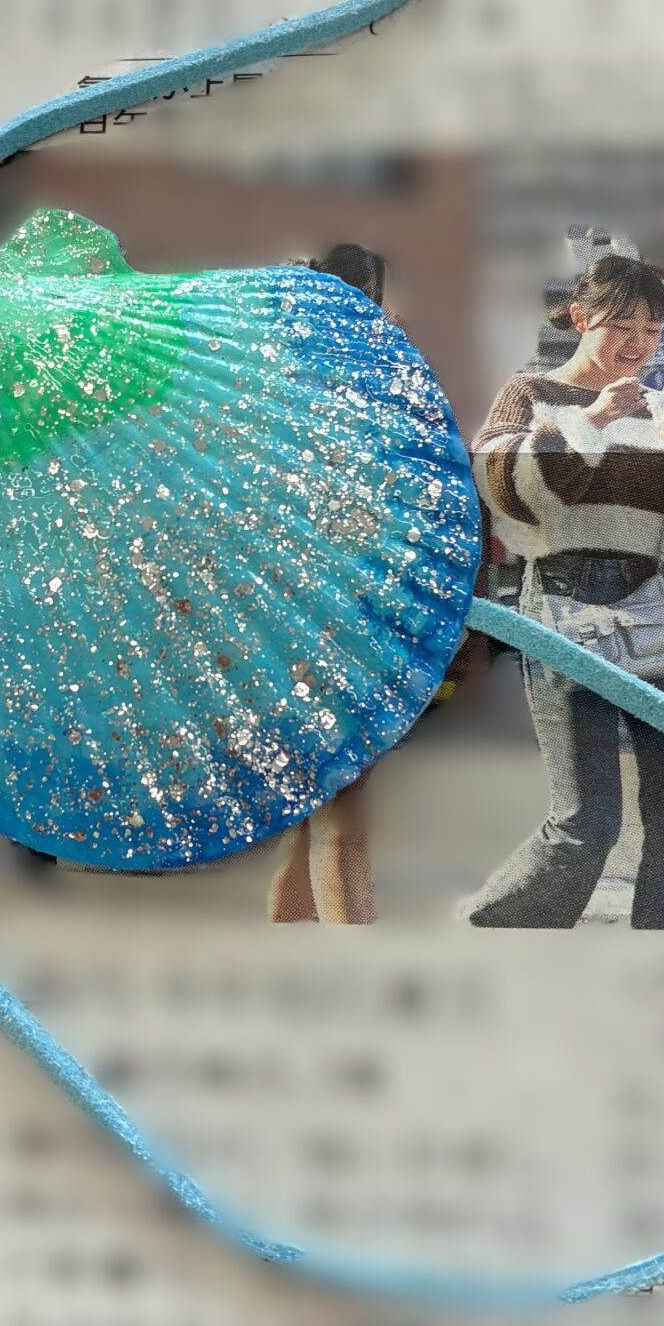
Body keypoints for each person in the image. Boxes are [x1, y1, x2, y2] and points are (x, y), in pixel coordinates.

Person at [460, 256, 664, 928]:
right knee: (586, 821)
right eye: (622, 324)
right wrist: (588, 421)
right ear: (580, 318)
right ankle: (495, 933)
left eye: (651, 330)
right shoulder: (529, 393)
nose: (638, 343)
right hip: (561, 602)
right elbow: (504, 492)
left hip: (658, 605)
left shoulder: (662, 408)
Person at [267, 244, 390, 925]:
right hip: (324, 612)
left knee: (315, 818)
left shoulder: (269, 377)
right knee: (342, 817)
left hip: (302, 609)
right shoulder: (351, 387)